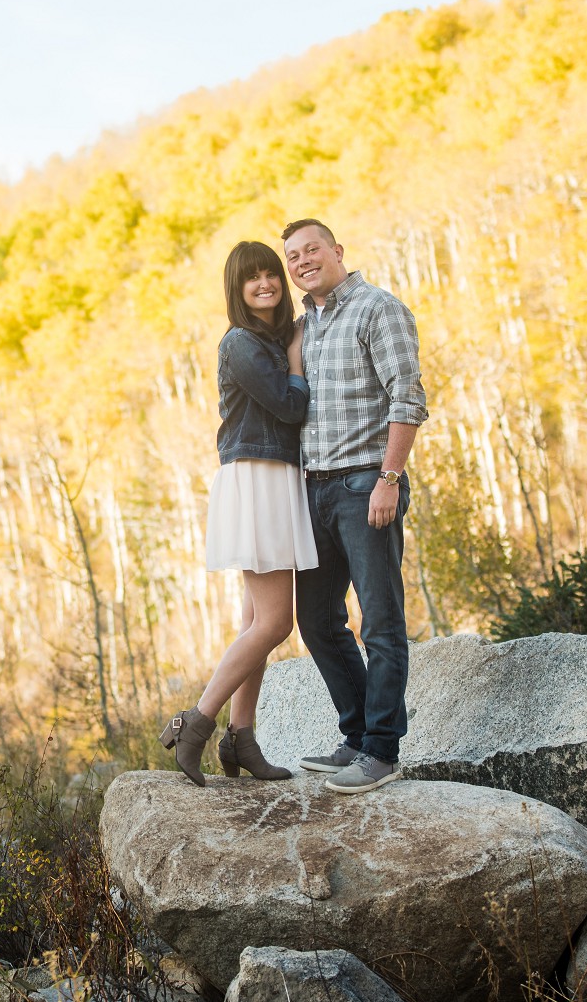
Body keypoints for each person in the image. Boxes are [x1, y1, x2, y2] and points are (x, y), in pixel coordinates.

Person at [161, 241, 318, 786]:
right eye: (252, 279)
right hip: (258, 478)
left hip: (272, 477)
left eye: (271, 274)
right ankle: (196, 724)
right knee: (277, 621)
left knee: (255, 621)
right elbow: (291, 406)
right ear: (237, 288)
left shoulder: (265, 341)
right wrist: (297, 357)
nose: (266, 284)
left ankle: (240, 739)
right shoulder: (243, 345)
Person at [281, 217, 427, 795]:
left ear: (337, 250)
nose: (301, 261)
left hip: (367, 483)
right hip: (313, 490)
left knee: (381, 619)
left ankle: (382, 751)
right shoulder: (303, 327)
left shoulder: (377, 309)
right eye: (292, 256)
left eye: (310, 249)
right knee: (316, 620)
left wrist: (389, 478)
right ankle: (357, 733)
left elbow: (408, 397)